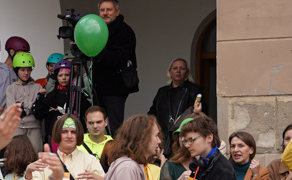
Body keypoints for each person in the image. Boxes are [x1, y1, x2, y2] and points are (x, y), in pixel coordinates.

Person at [92, 0, 137, 134]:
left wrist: (98, 51)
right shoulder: (95, 30)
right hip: (97, 86)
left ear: (117, 12)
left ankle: (116, 154)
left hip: (116, 88)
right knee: (95, 124)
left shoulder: (125, 31)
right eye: (102, 10)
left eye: (109, 10)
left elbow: (119, 58)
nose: (105, 13)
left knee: (115, 128)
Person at [32, 60, 91, 149]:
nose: (64, 78)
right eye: (60, 75)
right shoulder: (51, 96)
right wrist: (39, 99)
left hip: (75, 135)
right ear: (56, 77)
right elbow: (39, 114)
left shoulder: (78, 95)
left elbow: (88, 112)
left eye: (67, 75)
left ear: (71, 76)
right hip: (56, 135)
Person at [148, 59, 204, 153]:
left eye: (182, 68)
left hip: (182, 135)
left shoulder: (194, 90)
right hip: (163, 136)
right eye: (175, 68)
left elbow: (199, 114)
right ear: (170, 72)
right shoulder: (162, 91)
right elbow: (152, 112)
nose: (178, 71)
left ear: (187, 73)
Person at [5, 52, 45, 152]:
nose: (26, 73)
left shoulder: (38, 87)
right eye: (22, 70)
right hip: (17, 127)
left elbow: (40, 109)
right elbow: (14, 110)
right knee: (17, 156)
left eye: (28, 70)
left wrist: (23, 106)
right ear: (16, 70)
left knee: (37, 155)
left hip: (35, 127)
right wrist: (32, 105)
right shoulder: (11, 89)